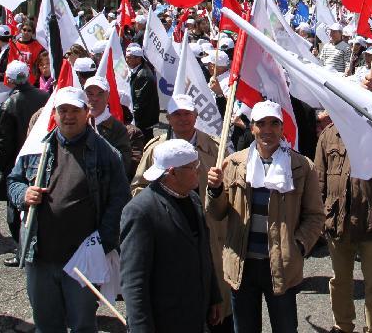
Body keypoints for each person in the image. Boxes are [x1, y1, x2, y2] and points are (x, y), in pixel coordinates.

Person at [7, 87, 130, 333]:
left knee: (82, 324)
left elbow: (120, 202)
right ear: (54, 113)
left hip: (82, 260)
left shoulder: (107, 154)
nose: (69, 116)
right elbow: (13, 181)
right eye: (63, 110)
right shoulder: (36, 148)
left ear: (87, 113)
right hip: (40, 255)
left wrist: (101, 247)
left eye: (75, 110)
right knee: (46, 323)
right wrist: (23, 194)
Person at [206, 101, 324, 333]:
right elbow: (217, 213)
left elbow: (315, 215)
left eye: (274, 123)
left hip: (281, 264)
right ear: (252, 128)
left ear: (282, 128)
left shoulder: (301, 167)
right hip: (243, 264)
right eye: (261, 123)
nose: (267, 129)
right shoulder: (234, 163)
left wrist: (298, 245)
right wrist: (215, 190)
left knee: (285, 328)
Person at [130, 95, 232, 330]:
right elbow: (139, 186)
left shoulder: (216, 146)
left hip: (211, 237)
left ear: (196, 116)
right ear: (168, 118)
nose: (183, 119)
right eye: (177, 114)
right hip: (170, 237)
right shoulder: (155, 150)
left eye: (187, 113)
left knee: (216, 304)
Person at [120, 139, 222, 333]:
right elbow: (134, 280)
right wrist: (140, 328)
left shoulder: (193, 199)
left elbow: (203, 252)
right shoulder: (140, 211)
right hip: (164, 319)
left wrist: (213, 296)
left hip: (195, 315)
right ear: (172, 172)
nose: (199, 171)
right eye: (193, 167)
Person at [314, 119, 372, 333]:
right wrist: (318, 216)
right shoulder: (328, 134)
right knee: (340, 280)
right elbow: (318, 179)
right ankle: (343, 325)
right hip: (337, 221)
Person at [0, 61, 49, 266]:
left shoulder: (9, 104)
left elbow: (3, 139)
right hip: (41, 155)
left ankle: (21, 249)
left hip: (19, 159)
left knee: (15, 209)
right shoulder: (44, 96)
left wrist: (3, 165)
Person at [83, 76, 134, 179]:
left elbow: (123, 166)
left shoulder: (118, 129)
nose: (94, 98)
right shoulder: (78, 123)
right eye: (90, 93)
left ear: (108, 96)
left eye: (100, 94)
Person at [126, 43, 159, 141]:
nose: (126, 60)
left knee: (145, 141)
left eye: (129, 58)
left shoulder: (143, 76)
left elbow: (140, 102)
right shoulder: (139, 71)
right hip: (144, 118)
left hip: (144, 119)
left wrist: (130, 116)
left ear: (138, 59)